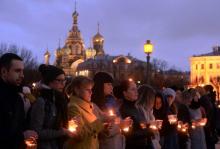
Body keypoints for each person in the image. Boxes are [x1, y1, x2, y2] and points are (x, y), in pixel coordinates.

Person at [30, 64, 73, 149]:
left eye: (64, 80)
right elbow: (36, 132)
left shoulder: (60, 100)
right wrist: (61, 132)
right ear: (49, 81)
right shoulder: (41, 102)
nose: (63, 84)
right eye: (59, 80)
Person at [0, 53, 37, 149]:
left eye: (22, 71)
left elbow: (19, 127)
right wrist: (23, 136)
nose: (22, 75)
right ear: (4, 72)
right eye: (17, 71)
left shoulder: (18, 98)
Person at [64, 76, 108, 149]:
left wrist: (104, 126)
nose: (91, 92)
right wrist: (100, 121)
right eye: (87, 90)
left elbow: (91, 129)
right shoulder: (73, 108)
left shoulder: (89, 106)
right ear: (77, 90)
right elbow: (79, 135)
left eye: (91, 89)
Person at [91, 72, 125, 149]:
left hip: (116, 143)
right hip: (104, 144)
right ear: (100, 85)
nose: (112, 87)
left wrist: (122, 121)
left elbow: (117, 119)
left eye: (111, 84)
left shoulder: (112, 101)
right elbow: (102, 131)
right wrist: (120, 125)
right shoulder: (93, 105)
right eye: (109, 84)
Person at [119, 80, 153, 149]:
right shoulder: (123, 110)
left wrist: (150, 124)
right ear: (125, 93)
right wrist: (149, 131)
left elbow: (141, 125)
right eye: (133, 89)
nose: (136, 92)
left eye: (136, 89)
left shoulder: (137, 107)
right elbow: (129, 134)